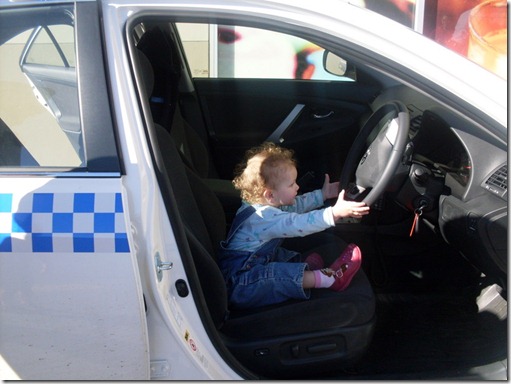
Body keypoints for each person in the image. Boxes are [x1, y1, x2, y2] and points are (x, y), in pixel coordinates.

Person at [218, 142, 370, 308]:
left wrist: (323, 195)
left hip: (252, 266)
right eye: (291, 185)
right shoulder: (263, 218)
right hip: (242, 284)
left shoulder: (262, 203)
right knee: (276, 274)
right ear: (270, 195)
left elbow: (294, 206)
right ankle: (330, 278)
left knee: (281, 255)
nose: (297, 187)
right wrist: (333, 213)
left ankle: (305, 271)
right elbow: (298, 223)